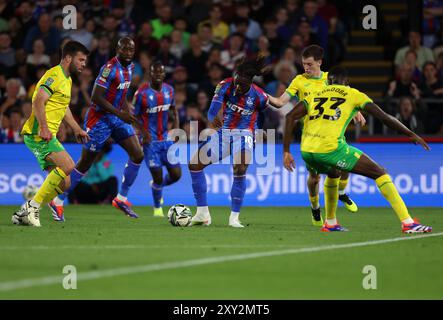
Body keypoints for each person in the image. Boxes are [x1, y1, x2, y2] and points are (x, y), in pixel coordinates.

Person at [283, 66, 432, 233]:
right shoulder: (353, 94)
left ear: (328, 80)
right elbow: (383, 117)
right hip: (329, 149)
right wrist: (410, 134)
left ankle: (331, 223)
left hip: (307, 150)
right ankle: (408, 222)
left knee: (333, 172)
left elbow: (290, 117)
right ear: (347, 82)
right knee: (380, 172)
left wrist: (286, 151)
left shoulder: (314, 95)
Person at [267, 45, 365, 227]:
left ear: (320, 62)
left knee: (346, 166)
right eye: (304, 64)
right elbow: (281, 102)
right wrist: (263, 95)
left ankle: (342, 193)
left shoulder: (332, 79)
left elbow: (349, 96)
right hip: (312, 136)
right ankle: (315, 207)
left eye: (309, 64)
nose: (306, 68)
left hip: (334, 132)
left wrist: (357, 111)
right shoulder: (299, 81)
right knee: (315, 178)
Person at [50, 37, 144, 221]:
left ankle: (121, 199)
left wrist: (127, 109)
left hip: (116, 118)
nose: (128, 53)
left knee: (138, 154)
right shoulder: (109, 69)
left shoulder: (131, 68)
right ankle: (58, 200)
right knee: (85, 164)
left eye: (131, 50)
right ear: (117, 49)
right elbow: (96, 97)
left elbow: (120, 93)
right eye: (124, 50)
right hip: (99, 120)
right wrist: (120, 113)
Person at [188, 55, 274, 228]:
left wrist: (259, 132)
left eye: (242, 84)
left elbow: (264, 115)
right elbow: (212, 111)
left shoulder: (259, 96)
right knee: (194, 164)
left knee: (240, 167)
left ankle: (234, 218)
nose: (237, 86)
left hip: (245, 134)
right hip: (225, 133)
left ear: (250, 82)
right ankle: (202, 214)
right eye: (236, 80)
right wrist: (213, 118)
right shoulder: (225, 85)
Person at [12, 41, 90, 227]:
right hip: (38, 133)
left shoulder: (68, 79)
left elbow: (63, 108)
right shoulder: (54, 75)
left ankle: (24, 213)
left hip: (48, 135)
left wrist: (76, 128)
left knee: (65, 183)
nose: (83, 64)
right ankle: (33, 206)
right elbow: (39, 100)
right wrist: (44, 127)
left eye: (85, 61)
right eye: (81, 60)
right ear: (68, 58)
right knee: (69, 165)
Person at [131, 61, 181, 217]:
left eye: (161, 73)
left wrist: (177, 129)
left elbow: (174, 111)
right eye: (155, 73)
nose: (158, 75)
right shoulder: (141, 93)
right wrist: (143, 132)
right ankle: (157, 208)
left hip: (166, 140)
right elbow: (133, 117)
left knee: (176, 175)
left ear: (164, 74)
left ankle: (156, 187)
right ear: (150, 74)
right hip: (150, 143)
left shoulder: (169, 90)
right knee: (158, 176)